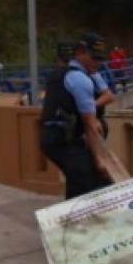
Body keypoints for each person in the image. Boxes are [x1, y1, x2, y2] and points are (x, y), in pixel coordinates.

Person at [40, 33, 117, 199]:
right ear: (80, 52)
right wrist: (99, 159)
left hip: (57, 138)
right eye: (94, 58)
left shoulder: (62, 73)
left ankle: (76, 218)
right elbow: (89, 124)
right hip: (62, 140)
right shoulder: (81, 80)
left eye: (100, 58)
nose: (99, 62)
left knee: (83, 178)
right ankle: (74, 221)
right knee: (85, 177)